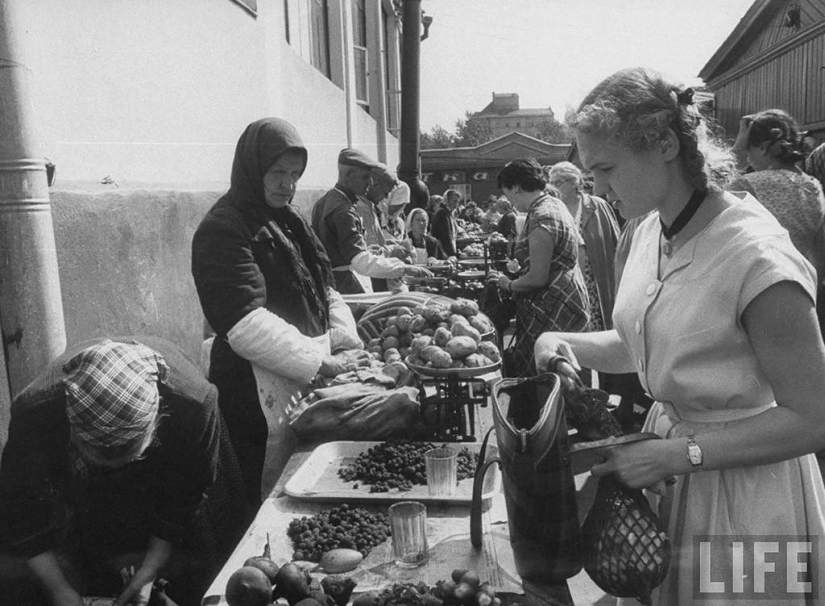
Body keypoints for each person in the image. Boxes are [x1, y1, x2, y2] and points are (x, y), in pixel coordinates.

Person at [535, 67, 825, 605]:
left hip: (751, 497)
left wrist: (677, 455)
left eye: (605, 168)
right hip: (670, 472)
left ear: (666, 145)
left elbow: (813, 419)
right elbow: (652, 343)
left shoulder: (755, 257)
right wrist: (563, 341)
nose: (595, 187)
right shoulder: (650, 229)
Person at [192, 119, 374, 509]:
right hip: (253, 392)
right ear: (252, 168)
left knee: (302, 485)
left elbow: (324, 289)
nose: (287, 184)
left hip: (304, 379)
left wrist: (345, 342)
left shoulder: (291, 220)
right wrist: (321, 362)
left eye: (295, 174)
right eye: (277, 173)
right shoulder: (223, 228)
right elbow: (244, 323)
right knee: (261, 497)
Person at [0, 337, 243, 606]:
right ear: (75, 435)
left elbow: (185, 494)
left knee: (205, 552)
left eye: (127, 457)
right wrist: (59, 590)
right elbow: (20, 508)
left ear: (156, 423)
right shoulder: (35, 413)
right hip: (78, 468)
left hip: (175, 448)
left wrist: (150, 568)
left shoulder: (194, 405)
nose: (117, 467)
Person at [487, 158, 590, 378]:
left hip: (553, 308)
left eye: (508, 194)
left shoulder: (542, 215)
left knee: (552, 379)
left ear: (516, 188)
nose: (510, 201)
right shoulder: (554, 204)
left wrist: (509, 283)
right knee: (564, 377)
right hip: (567, 300)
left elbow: (537, 277)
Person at [311, 148, 431, 294]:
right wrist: (403, 268)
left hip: (333, 282)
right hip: (346, 285)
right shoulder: (343, 210)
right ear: (348, 175)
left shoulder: (327, 200)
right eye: (365, 177)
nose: (370, 182)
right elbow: (360, 261)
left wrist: (370, 249)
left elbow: (337, 247)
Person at [730, 109, 825, 279]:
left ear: (763, 146)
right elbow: (819, 256)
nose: (749, 159)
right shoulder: (814, 187)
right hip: (802, 281)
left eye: (749, 149)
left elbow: (708, 191)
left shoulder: (749, 184)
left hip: (762, 281)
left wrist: (737, 150)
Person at [547, 161, 620, 334]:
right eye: (552, 183)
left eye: (559, 182)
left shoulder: (597, 205)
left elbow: (616, 239)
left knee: (598, 323)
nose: (554, 187)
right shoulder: (554, 209)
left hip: (595, 277)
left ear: (575, 182)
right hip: (567, 281)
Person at [430, 188, 461, 257]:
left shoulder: (448, 213)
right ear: (447, 200)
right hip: (442, 251)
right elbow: (445, 236)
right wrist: (452, 254)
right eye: (455, 201)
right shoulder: (442, 213)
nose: (456, 205)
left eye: (458, 202)